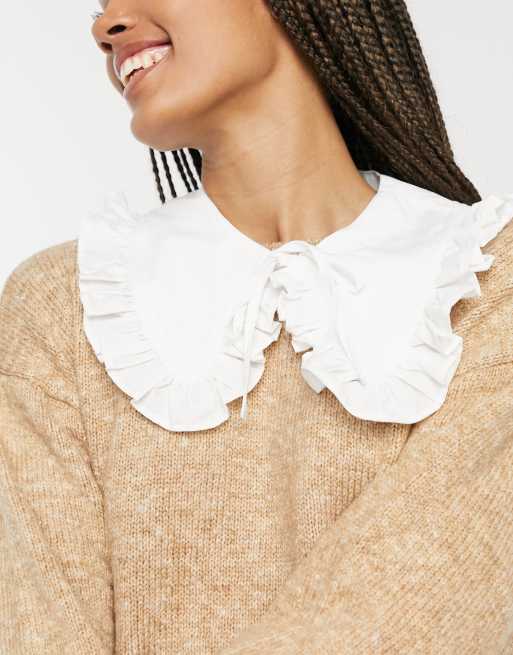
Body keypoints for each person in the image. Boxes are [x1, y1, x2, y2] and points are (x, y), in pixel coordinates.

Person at [1, 1, 512, 653]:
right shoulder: (62, 306)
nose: (106, 27)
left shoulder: (487, 277)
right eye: (101, 6)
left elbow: (426, 598)